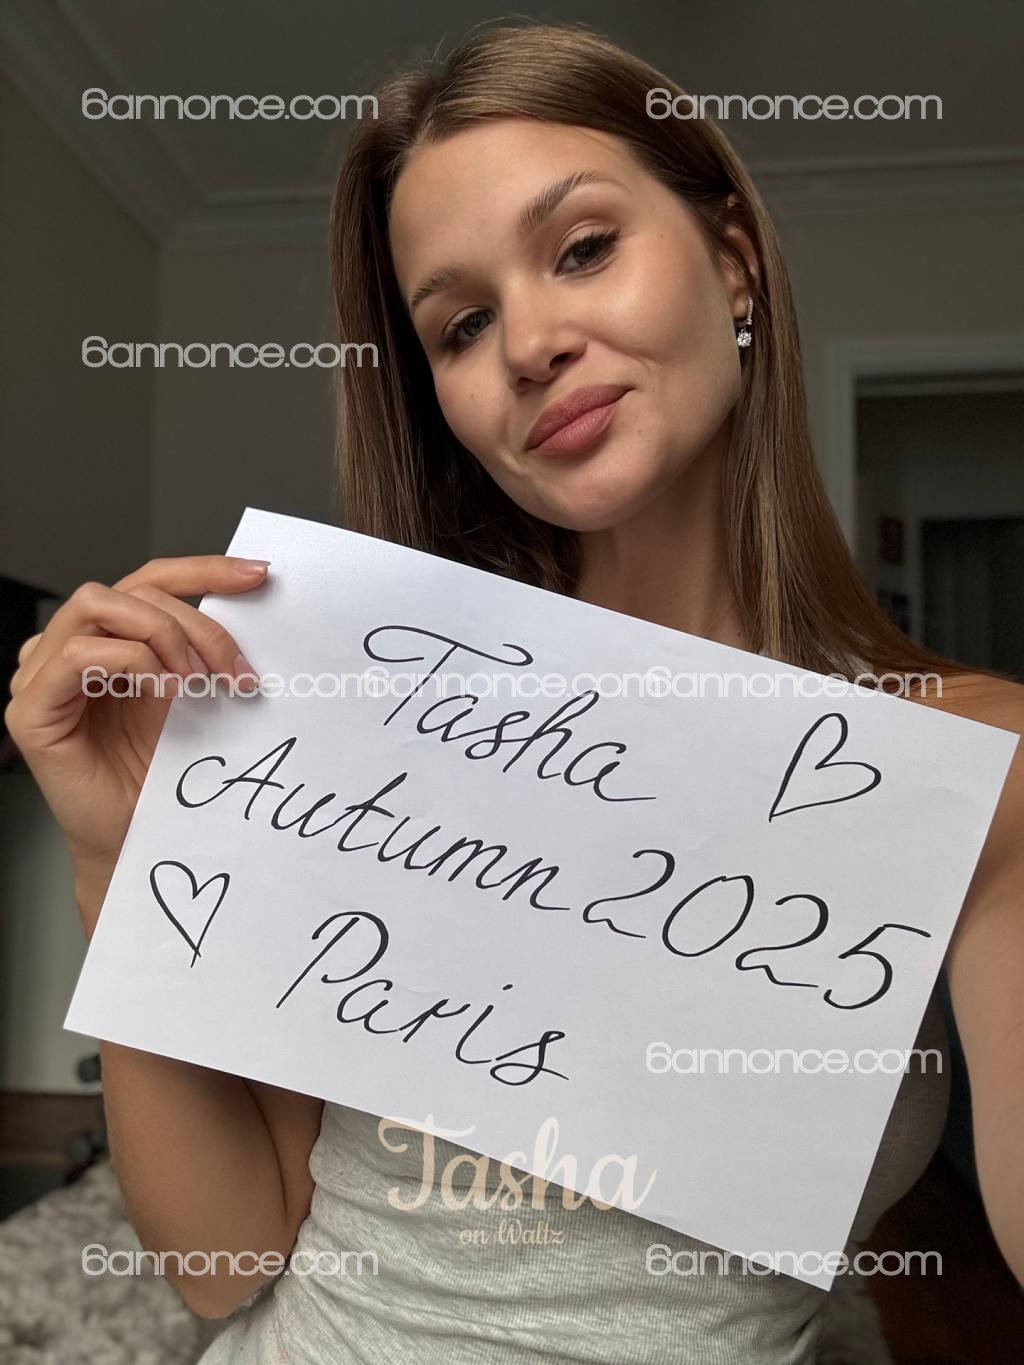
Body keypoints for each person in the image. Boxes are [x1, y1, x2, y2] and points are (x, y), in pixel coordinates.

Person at [6, 19, 1023, 1365]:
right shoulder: (366, 713)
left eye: (583, 247)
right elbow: (221, 1261)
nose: (529, 343)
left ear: (732, 260)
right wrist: (116, 866)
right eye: (463, 324)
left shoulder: (967, 758)